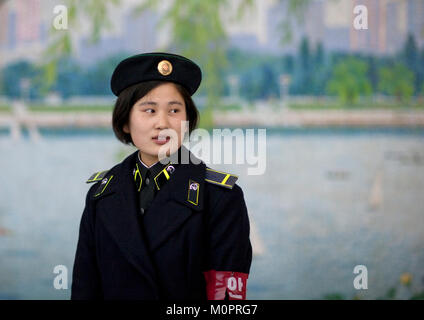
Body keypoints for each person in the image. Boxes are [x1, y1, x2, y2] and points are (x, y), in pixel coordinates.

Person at [71, 52, 252, 300]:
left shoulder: (220, 198)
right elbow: (85, 289)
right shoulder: (101, 195)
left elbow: (227, 299)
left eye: (174, 110)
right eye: (149, 110)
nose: (162, 123)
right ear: (125, 121)